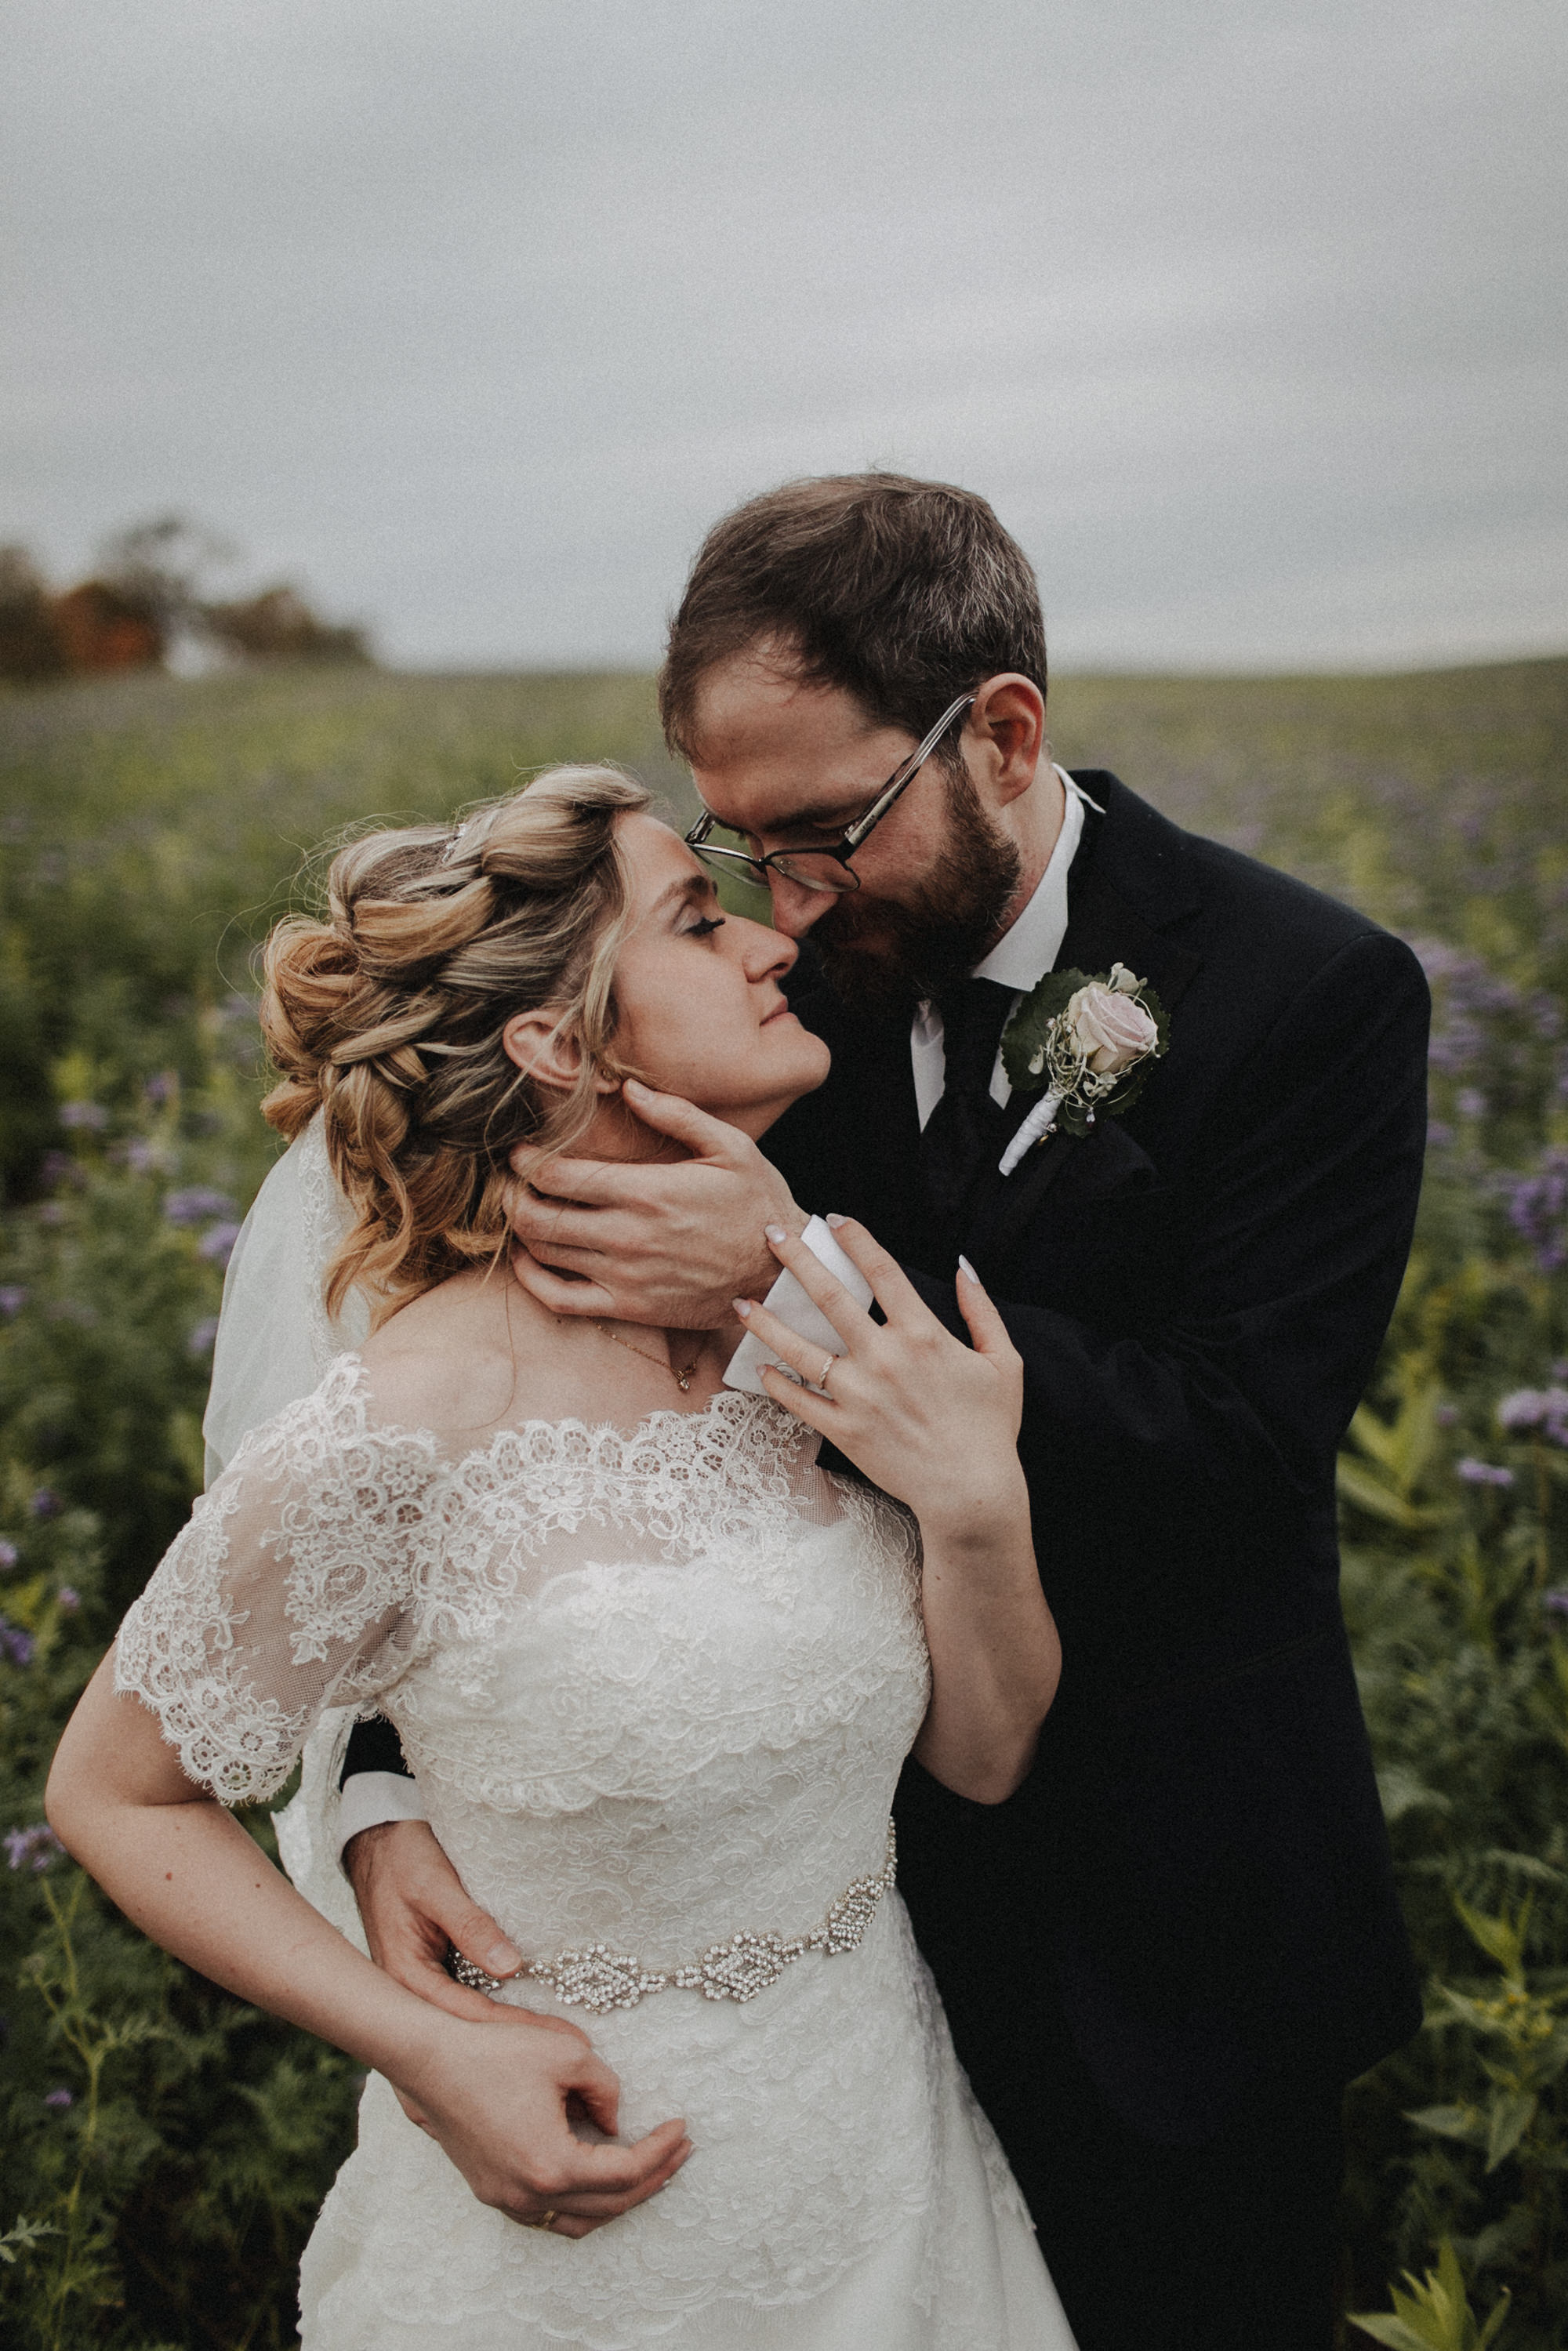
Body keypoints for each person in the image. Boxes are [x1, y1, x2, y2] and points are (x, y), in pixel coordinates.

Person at [339, 476, 1432, 2350]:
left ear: (1000, 735)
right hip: (825, 1927)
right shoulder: (764, 992)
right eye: (738, 846)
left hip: (1175, 1923)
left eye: (824, 832)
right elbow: (498, 1437)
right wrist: (374, 1780)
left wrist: (798, 1285)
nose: (783, 902)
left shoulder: (1307, 994)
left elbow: (1236, 1455)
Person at [46, 765, 1077, 2350]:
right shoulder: (404, 1418)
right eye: (692, 916)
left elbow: (987, 1754)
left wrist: (975, 1505)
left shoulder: (806, 1335)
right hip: (588, 2223)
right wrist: (420, 2046)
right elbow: (112, 1789)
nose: (764, 942)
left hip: (890, 2162)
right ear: (561, 1040)